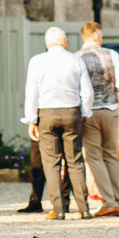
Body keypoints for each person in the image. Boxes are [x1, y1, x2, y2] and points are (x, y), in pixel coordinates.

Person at [24, 26, 94, 220]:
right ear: (64, 42)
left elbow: (32, 93)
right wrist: (84, 113)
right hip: (71, 112)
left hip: (47, 114)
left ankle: (58, 209)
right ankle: (84, 208)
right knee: (75, 161)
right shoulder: (76, 60)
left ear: (47, 43)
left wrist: (31, 120)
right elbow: (87, 92)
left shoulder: (37, 61)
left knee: (51, 162)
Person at [77, 23, 119, 218]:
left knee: (94, 157)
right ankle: (117, 201)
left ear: (83, 37)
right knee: (111, 154)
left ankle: (108, 201)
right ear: (98, 36)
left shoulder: (77, 58)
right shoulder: (112, 55)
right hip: (111, 110)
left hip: (90, 111)